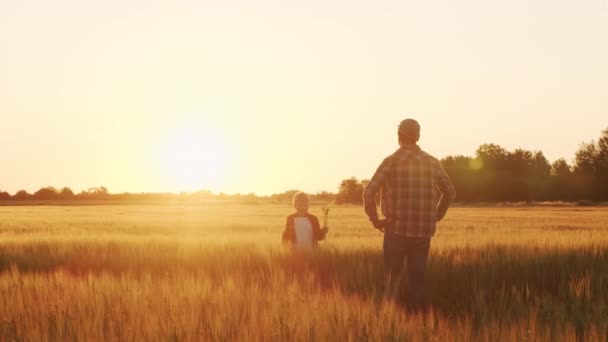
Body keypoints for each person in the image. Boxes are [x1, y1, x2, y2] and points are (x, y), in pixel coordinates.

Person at [363, 118, 456, 311]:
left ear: (399, 137)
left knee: (392, 280)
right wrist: (436, 215)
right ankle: (418, 319)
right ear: (419, 136)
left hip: (395, 230)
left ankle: (389, 319)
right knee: (418, 281)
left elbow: (368, 192)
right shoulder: (432, 162)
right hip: (423, 233)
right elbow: (450, 192)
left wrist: (375, 220)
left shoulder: (391, 162)